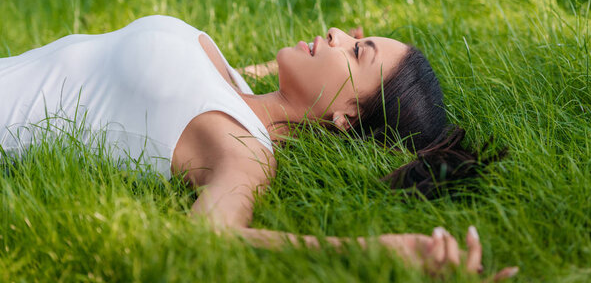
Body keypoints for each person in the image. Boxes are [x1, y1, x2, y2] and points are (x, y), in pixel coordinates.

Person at [0, 15, 516, 279]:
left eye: (357, 51)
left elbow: (211, 236)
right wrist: (298, 73)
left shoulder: (244, 149)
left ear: (345, 117)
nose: (335, 32)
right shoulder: (240, 91)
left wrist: (375, 251)